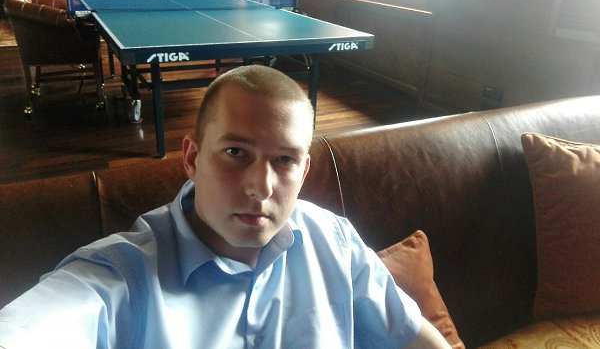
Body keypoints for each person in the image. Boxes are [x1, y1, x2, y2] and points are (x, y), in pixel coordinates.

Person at [0, 65, 451, 348]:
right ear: (192, 158)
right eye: (236, 152)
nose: (260, 186)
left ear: (304, 170)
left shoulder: (335, 242)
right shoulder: (118, 278)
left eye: (284, 160)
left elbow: (417, 339)